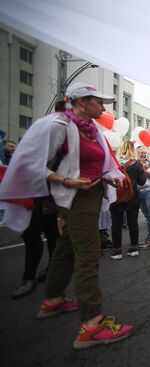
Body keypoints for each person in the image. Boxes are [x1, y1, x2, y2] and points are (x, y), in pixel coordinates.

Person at [0, 83, 133, 348]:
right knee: (89, 254)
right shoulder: (58, 125)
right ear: (81, 101)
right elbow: (32, 165)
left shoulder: (92, 128)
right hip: (75, 198)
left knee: (66, 248)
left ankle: (52, 300)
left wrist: (111, 178)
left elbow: (101, 164)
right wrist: (67, 181)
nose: (103, 107)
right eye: (98, 101)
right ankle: (91, 325)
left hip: (92, 195)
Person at [12, 198, 59, 299]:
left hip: (47, 195)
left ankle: (34, 276)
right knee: (41, 232)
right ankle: (40, 274)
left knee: (48, 232)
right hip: (38, 196)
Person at [109, 140, 146, 260]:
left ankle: (117, 251)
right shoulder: (136, 164)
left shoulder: (113, 162)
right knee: (132, 222)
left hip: (116, 196)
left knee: (116, 223)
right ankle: (133, 248)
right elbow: (142, 182)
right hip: (132, 197)